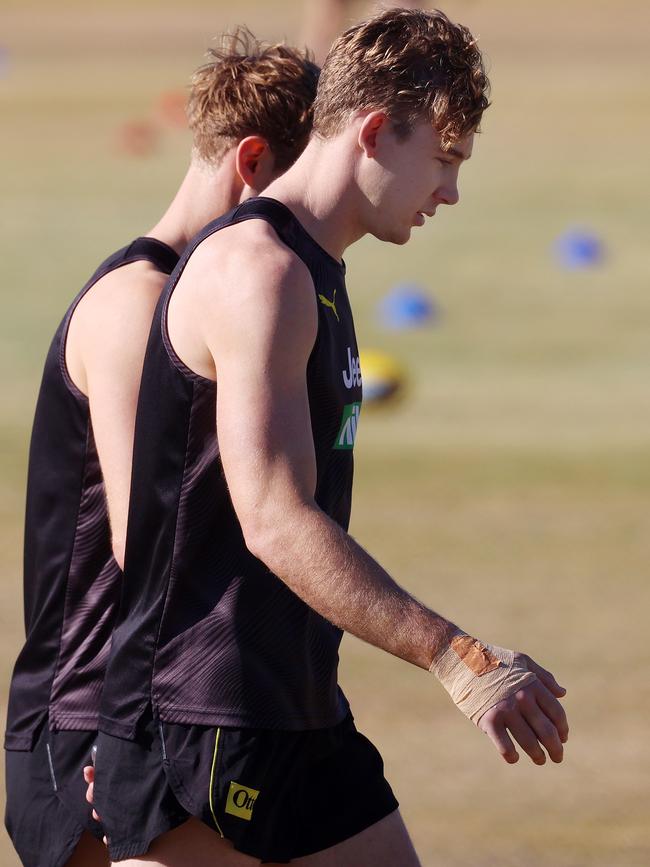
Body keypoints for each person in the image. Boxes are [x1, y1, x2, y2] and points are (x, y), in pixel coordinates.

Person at [92, 8, 569, 867]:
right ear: (377, 132)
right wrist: (453, 654)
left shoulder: (315, 269)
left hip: (293, 702)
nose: (451, 191)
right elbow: (274, 516)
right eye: (446, 158)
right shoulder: (258, 273)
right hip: (198, 716)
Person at [3, 31, 319, 867]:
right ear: (251, 163)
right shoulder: (138, 306)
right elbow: (143, 536)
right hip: (86, 718)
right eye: (294, 199)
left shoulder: (194, 299)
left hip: (149, 708)